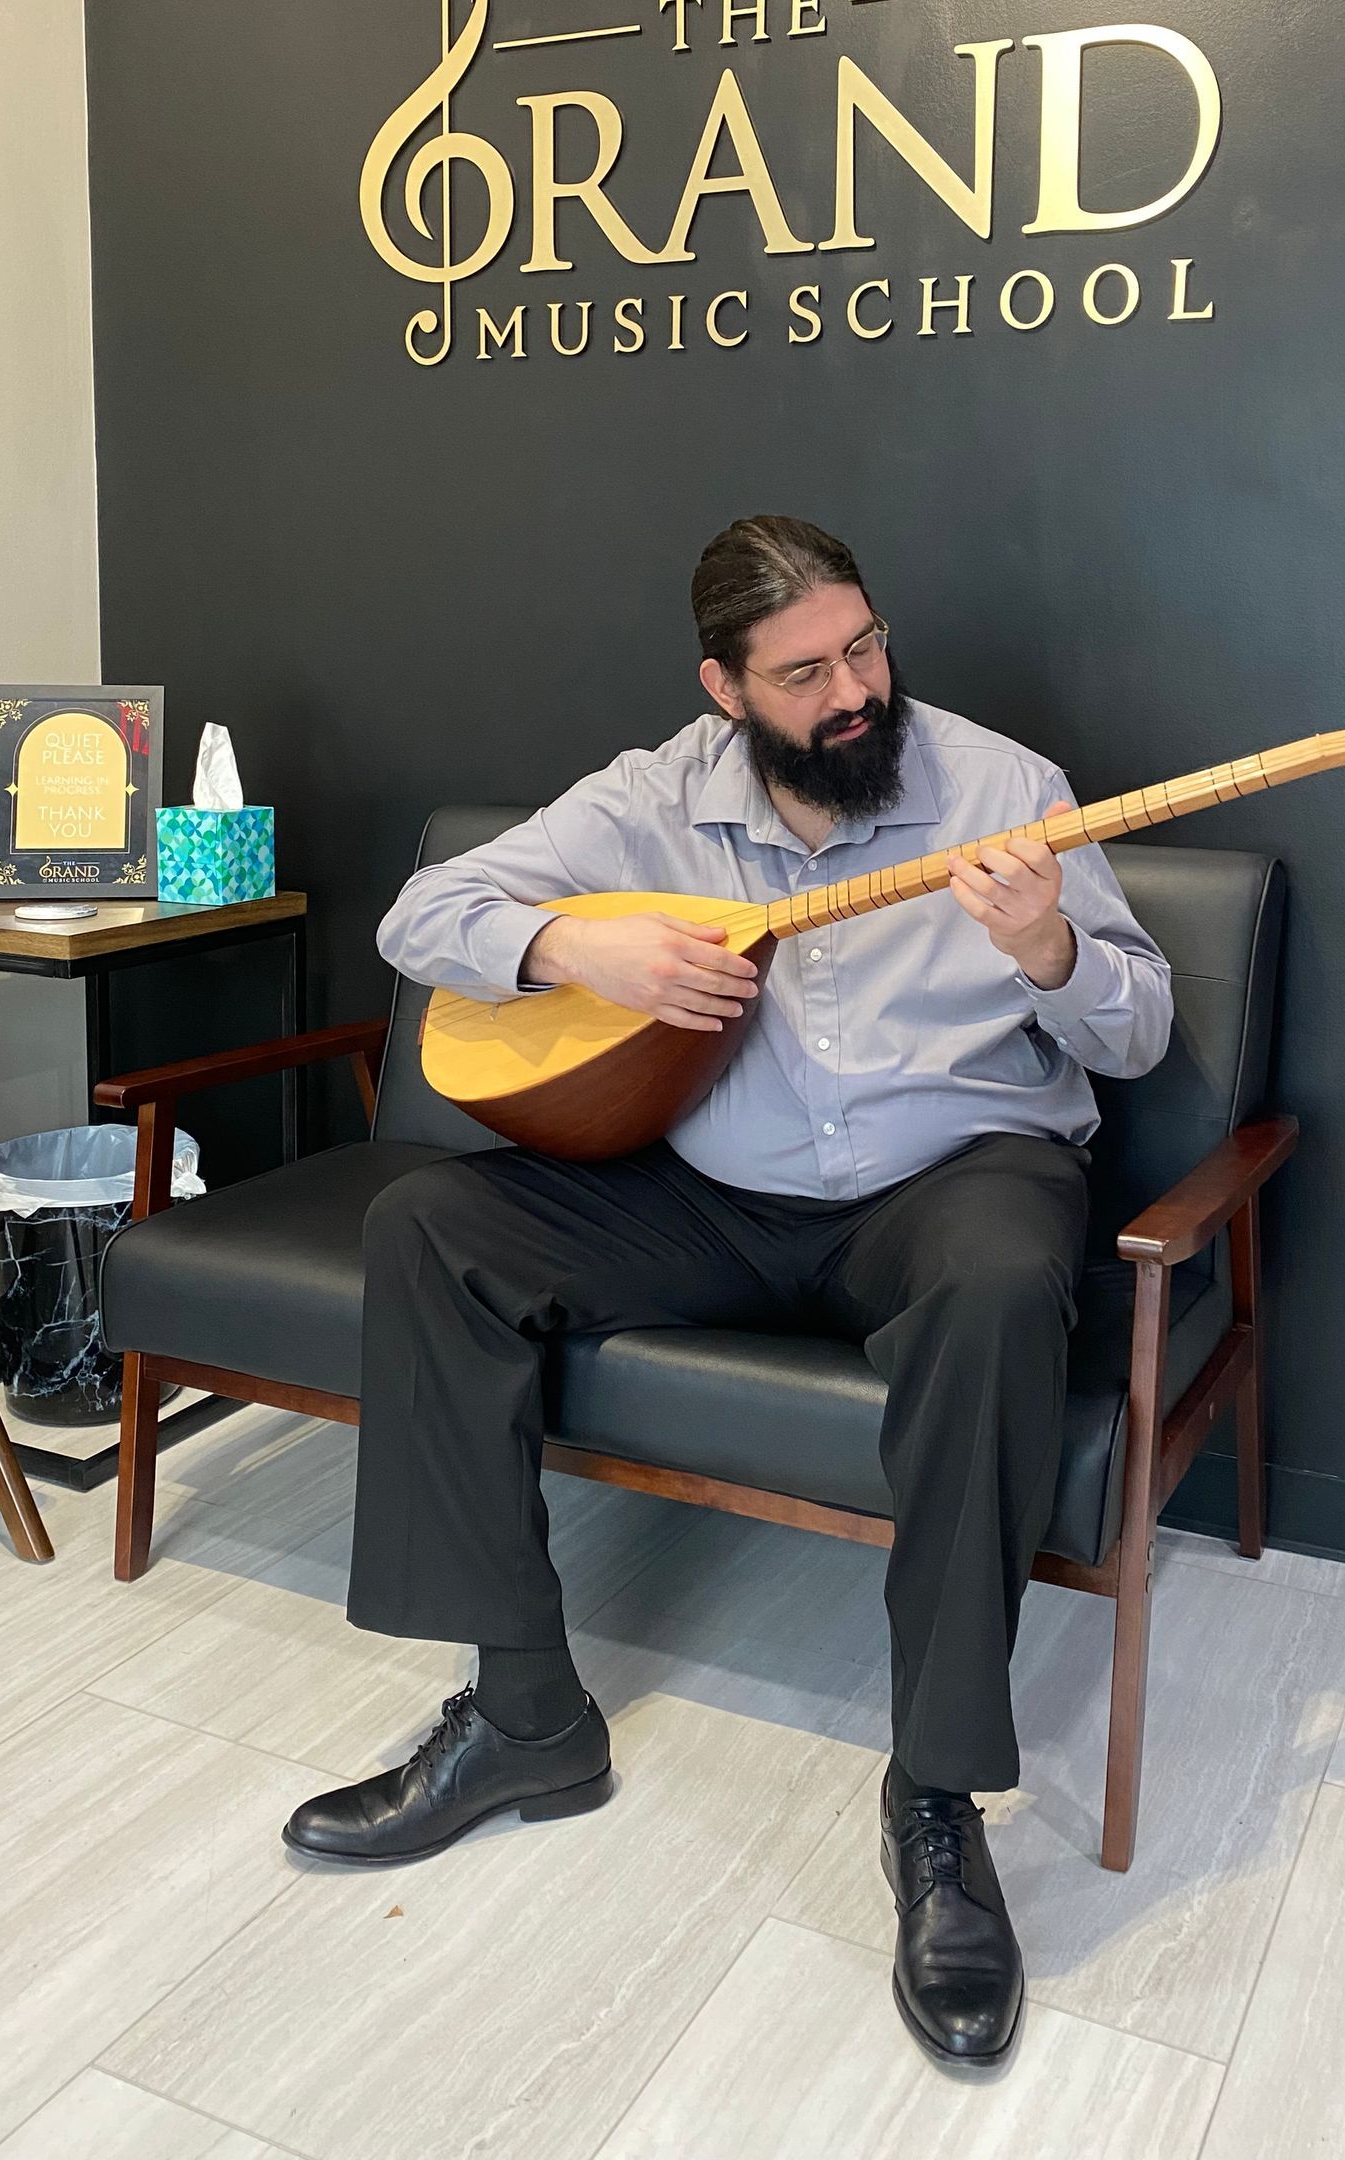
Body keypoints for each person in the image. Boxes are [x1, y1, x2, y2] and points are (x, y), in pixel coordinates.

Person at [284, 514, 1173, 2065]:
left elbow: (1143, 1031)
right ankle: (524, 1720)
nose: (856, 690)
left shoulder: (1003, 785)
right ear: (724, 688)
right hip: (713, 1196)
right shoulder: (650, 799)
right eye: (808, 670)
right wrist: (578, 951)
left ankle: (939, 1803)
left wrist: (1050, 953)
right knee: (427, 1224)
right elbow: (419, 917)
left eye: (868, 647)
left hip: (948, 1181)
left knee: (1004, 1276)